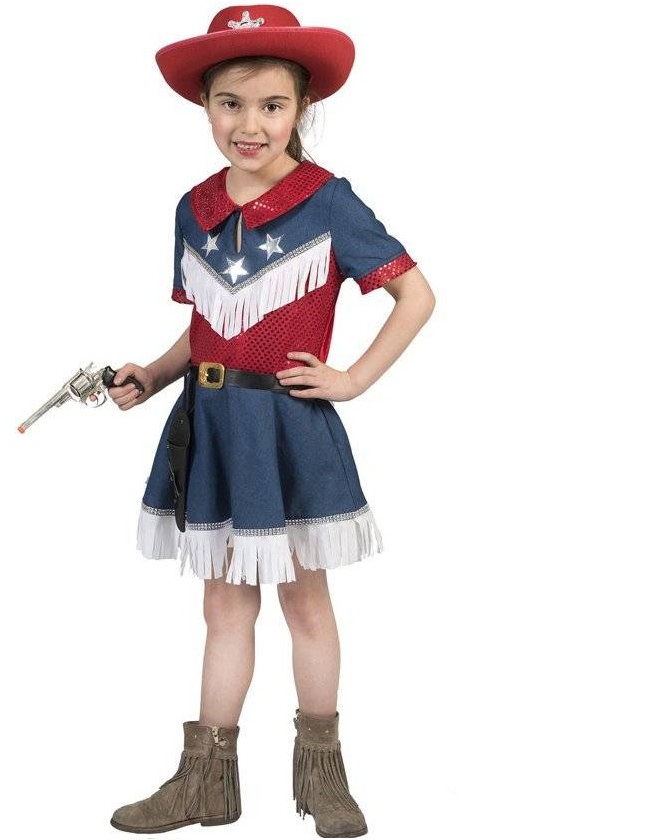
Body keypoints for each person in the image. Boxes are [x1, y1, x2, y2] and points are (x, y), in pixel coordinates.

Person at [106, 5, 435, 837]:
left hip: (286, 432)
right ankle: (203, 783)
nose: (249, 125)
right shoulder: (194, 207)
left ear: (301, 108)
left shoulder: (327, 202)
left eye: (271, 105)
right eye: (230, 103)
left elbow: (415, 295)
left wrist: (352, 378)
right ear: (205, 105)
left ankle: (324, 779)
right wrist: (154, 373)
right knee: (223, 610)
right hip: (213, 429)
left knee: (305, 604)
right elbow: (210, 323)